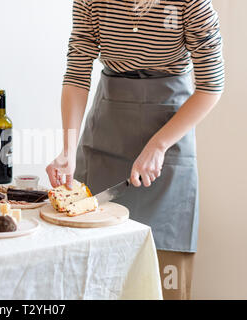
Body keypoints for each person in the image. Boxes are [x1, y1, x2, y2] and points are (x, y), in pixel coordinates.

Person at [46, 0, 224, 300]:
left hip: (168, 144)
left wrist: (158, 144)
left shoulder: (191, 4)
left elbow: (211, 86)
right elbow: (77, 75)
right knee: (95, 275)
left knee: (163, 274)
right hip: (104, 140)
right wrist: (67, 149)